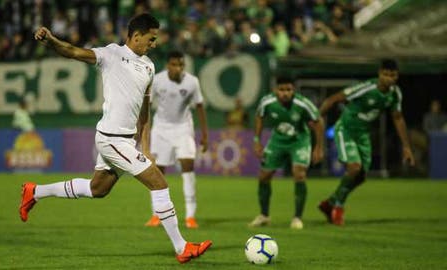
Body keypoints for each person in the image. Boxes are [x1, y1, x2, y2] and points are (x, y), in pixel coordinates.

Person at [19, 13, 211, 263]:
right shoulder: (110, 55)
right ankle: (182, 247)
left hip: (126, 140)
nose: (154, 44)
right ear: (136, 36)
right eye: (151, 39)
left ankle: (34, 192)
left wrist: (144, 143)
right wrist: (52, 40)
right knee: (160, 183)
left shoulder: (149, 66)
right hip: (111, 138)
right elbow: (74, 52)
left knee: (97, 189)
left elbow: (144, 109)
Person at [318, 59, 415, 226]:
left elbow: (398, 118)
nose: (389, 79)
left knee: (361, 177)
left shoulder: (395, 94)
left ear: (397, 76)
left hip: (363, 136)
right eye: (386, 74)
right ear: (379, 74)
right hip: (346, 130)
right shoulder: (366, 88)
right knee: (354, 167)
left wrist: (406, 147)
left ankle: (330, 203)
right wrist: (315, 119)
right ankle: (338, 209)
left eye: (393, 75)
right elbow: (334, 99)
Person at [144, 50, 208, 229]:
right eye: (174, 64)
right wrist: (143, 129)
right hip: (161, 129)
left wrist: (205, 134)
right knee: (157, 172)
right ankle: (156, 214)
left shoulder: (192, 82)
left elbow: (200, 106)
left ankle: (190, 216)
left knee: (188, 168)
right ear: (167, 65)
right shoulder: (157, 80)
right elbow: (146, 106)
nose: (178, 68)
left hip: (183, 128)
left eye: (181, 65)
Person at [249, 77, 324, 229]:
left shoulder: (303, 103)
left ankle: (297, 218)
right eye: (281, 90)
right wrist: (257, 140)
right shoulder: (267, 102)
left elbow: (318, 121)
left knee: (299, 174)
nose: (285, 93)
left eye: (288, 90)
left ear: (293, 91)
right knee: (264, 176)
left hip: (300, 141)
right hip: (278, 140)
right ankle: (264, 215)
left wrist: (318, 147)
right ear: (275, 90)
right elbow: (259, 117)